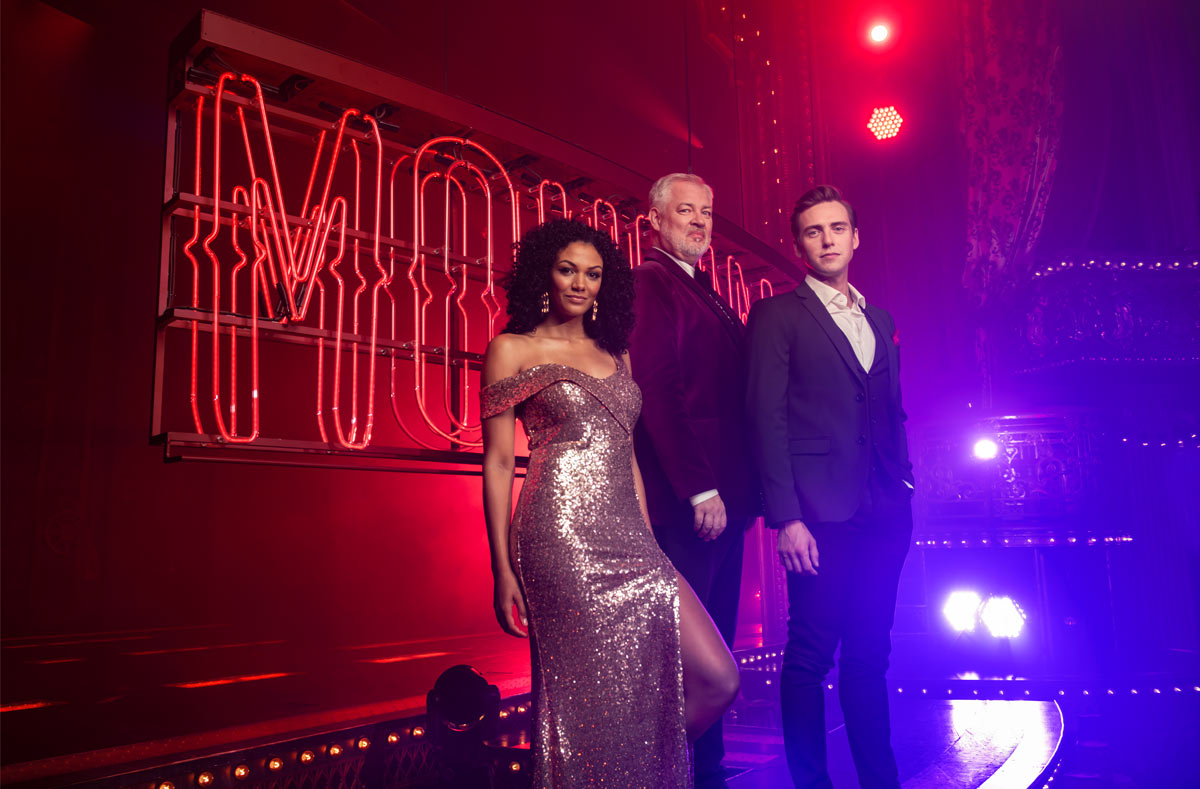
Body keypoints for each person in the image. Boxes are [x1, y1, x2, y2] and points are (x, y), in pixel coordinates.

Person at [480, 218, 740, 787]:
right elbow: (500, 463)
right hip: (559, 536)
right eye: (567, 269)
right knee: (582, 701)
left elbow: (626, 455)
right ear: (543, 273)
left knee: (719, 678)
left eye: (593, 274)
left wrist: (647, 540)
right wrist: (502, 567)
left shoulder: (614, 353)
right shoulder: (512, 349)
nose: (579, 284)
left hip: (631, 538)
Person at [745, 186, 914, 788]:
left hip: (887, 512)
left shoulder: (881, 319)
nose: (827, 240)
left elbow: (890, 413)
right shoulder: (776, 315)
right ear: (798, 245)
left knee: (870, 655)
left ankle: (880, 781)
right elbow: (766, 417)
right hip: (816, 516)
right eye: (814, 231)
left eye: (837, 228)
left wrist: (906, 486)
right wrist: (786, 517)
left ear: (855, 236)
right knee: (811, 655)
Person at [627, 174, 760, 787]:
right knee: (689, 652)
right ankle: (665, 772)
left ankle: (704, 767)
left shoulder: (700, 287)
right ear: (655, 218)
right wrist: (697, 487)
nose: (701, 222)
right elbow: (658, 389)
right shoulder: (648, 283)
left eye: (707, 211)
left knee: (719, 640)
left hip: (725, 498)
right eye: (686, 211)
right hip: (694, 501)